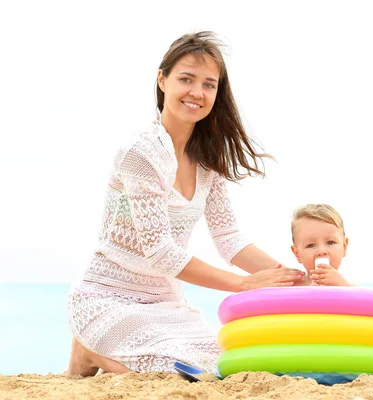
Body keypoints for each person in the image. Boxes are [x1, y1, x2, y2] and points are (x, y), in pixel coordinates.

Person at [66, 31, 305, 377]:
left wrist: (289, 279)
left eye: (209, 84)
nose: (197, 92)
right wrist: (241, 284)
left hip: (166, 304)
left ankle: (98, 352)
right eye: (186, 79)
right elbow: (160, 252)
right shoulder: (140, 154)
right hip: (106, 299)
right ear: (162, 80)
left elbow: (230, 240)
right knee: (174, 370)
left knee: (218, 368)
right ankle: (89, 351)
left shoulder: (208, 161)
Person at [290, 204, 352, 286]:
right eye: (311, 245)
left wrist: (343, 286)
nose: (321, 251)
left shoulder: (348, 287)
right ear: (297, 254)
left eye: (330, 242)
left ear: (344, 247)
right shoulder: (293, 287)